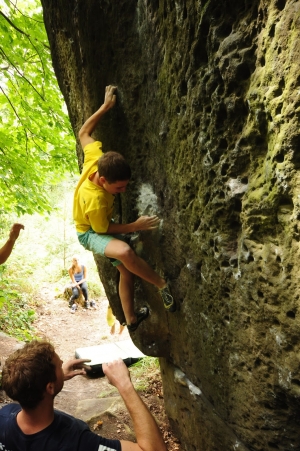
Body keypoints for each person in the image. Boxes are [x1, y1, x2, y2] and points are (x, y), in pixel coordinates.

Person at [73, 85, 176, 332]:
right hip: (90, 232)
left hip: (99, 224)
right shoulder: (95, 199)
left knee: (127, 273)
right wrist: (135, 226)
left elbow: (84, 133)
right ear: (103, 180)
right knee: (126, 253)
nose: (123, 191)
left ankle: (130, 320)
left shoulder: (95, 158)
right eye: (119, 188)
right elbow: (103, 229)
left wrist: (105, 107)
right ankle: (163, 286)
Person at [0, 340, 167, 451]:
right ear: (49, 387)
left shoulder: (5, 416)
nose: (63, 364)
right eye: (59, 365)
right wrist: (124, 385)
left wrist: (56, 379)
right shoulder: (77, 443)